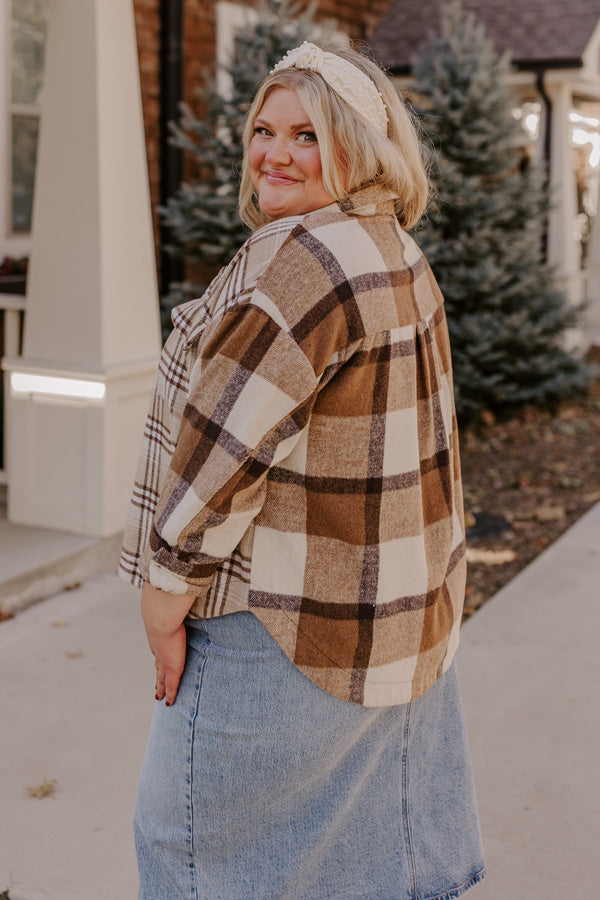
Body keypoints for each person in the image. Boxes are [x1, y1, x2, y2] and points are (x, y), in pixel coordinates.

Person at [120, 41, 486, 900]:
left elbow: (223, 451)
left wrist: (162, 598)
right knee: (363, 864)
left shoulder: (303, 266)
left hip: (283, 626)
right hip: (396, 624)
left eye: (307, 136)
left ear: (357, 146)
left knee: (191, 853)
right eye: (264, 129)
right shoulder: (395, 251)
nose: (275, 154)